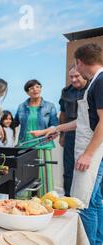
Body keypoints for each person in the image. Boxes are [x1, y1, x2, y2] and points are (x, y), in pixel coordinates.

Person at [32, 43, 103, 245]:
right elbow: (83, 122)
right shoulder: (94, 83)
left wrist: (88, 154)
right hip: (90, 148)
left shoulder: (100, 82)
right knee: (97, 199)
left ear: (80, 62)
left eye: (76, 64)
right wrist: (53, 129)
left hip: (92, 152)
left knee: (84, 202)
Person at [14, 79, 58, 196]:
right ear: (27, 92)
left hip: (43, 145)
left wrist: (42, 132)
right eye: (32, 88)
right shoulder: (21, 107)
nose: (35, 89)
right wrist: (0, 128)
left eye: (38, 87)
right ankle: (23, 203)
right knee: (24, 177)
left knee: (44, 177)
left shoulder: (49, 106)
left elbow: (55, 125)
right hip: (25, 146)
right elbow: (14, 123)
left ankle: (45, 202)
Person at [59, 66, 88, 196]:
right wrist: (62, 135)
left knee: (87, 169)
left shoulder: (92, 88)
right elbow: (63, 114)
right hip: (70, 134)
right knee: (69, 168)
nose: (74, 79)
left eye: (77, 76)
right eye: (71, 77)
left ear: (83, 74)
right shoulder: (66, 91)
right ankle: (68, 198)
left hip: (88, 134)